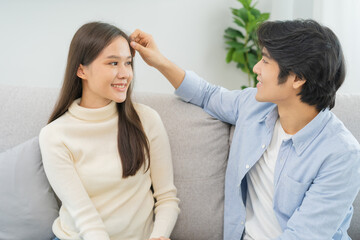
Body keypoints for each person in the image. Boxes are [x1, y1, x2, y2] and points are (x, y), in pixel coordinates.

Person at [129, 19, 360, 239]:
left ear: (297, 78)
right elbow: (207, 94)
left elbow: (304, 236)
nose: (256, 67)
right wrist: (159, 61)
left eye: (266, 61)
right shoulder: (255, 106)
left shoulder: (341, 154)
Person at [39, 22, 180, 240]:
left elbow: (167, 198)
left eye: (128, 63)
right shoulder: (55, 135)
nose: (125, 74)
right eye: (113, 63)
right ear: (81, 70)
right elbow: (86, 220)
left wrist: (158, 236)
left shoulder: (146, 120)